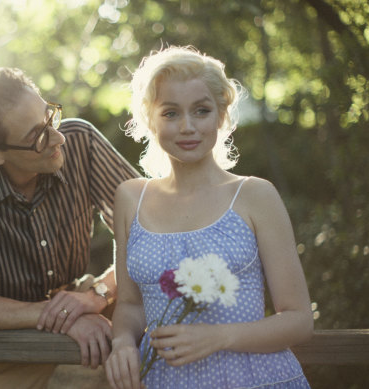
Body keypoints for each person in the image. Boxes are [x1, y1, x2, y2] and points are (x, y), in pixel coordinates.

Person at [105, 46, 313, 389]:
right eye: (170, 113)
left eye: (201, 111)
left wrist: (218, 337)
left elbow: (299, 321)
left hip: (255, 380)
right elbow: (129, 304)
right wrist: (123, 343)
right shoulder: (130, 197)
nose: (187, 126)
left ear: (220, 116)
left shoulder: (255, 195)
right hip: (161, 380)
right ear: (149, 119)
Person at [0, 67, 139, 388]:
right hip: (2, 326)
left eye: (50, 117)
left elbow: (150, 229)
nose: (58, 137)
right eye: (37, 135)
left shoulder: (81, 140)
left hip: (86, 294)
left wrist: (97, 295)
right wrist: (64, 319)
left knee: (161, 340)